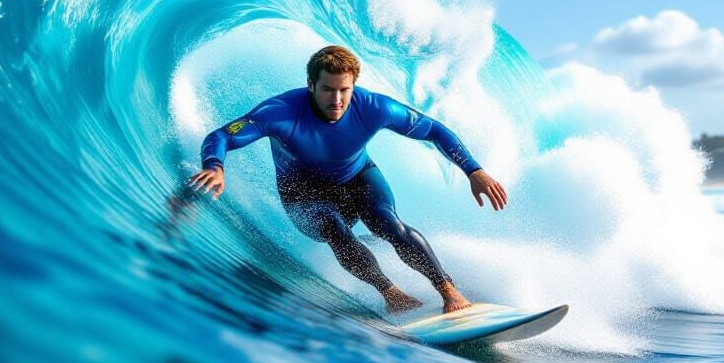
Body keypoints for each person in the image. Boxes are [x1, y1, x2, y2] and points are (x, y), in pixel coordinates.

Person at [187, 45, 508, 315]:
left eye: (345, 90)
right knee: (334, 228)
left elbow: (434, 130)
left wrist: (474, 170)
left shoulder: (373, 108)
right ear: (311, 85)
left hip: (358, 178)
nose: (337, 100)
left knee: (388, 224)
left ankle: (450, 292)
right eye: (328, 89)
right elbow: (223, 134)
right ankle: (391, 293)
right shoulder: (281, 112)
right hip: (302, 194)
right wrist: (215, 166)